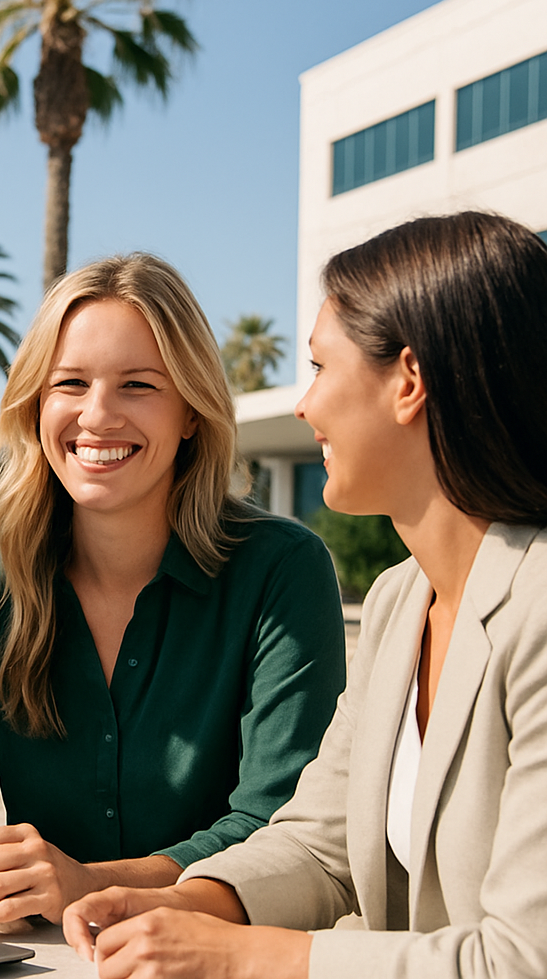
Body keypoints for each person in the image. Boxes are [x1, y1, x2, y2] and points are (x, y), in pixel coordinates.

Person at [63, 211, 547, 979]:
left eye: (321, 369)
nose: (303, 405)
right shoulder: (399, 601)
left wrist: (240, 955)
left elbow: (523, 960)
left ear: (409, 382)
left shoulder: (540, 611)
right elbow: (321, 844)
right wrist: (187, 904)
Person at [0, 253, 345, 931]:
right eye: (70, 383)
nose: (97, 416)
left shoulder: (281, 572)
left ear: (190, 412)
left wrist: (89, 884)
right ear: (35, 406)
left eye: (138, 386)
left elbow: (278, 829)